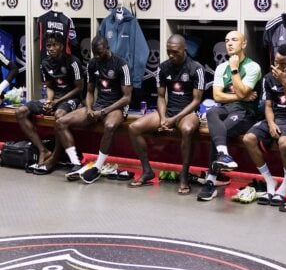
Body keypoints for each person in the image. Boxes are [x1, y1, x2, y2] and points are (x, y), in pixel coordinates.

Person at [44, 35, 131, 184]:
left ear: (108, 48)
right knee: (61, 122)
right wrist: (90, 108)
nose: (97, 56)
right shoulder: (92, 63)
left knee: (109, 126)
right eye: (94, 53)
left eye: (100, 53)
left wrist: (103, 112)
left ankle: (97, 167)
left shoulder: (121, 64)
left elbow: (127, 97)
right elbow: (89, 92)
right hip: (98, 105)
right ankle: (76, 164)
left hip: (117, 106)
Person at [127, 34, 204, 192]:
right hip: (168, 111)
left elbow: (196, 101)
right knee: (133, 127)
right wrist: (163, 118)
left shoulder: (196, 68)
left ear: (184, 49)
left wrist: (174, 119)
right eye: (169, 51)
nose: (171, 55)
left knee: (188, 130)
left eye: (175, 52)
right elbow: (161, 97)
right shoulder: (163, 67)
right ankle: (147, 171)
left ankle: (184, 175)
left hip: (188, 113)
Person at [242, 44, 286, 206]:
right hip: (275, 117)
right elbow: (267, 106)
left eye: (283, 63)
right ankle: (270, 182)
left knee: (284, 142)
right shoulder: (268, 78)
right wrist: (271, 124)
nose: (278, 67)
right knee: (248, 139)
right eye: (276, 62)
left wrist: (285, 83)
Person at [198, 30, 262, 201]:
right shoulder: (220, 67)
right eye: (227, 40)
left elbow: (242, 92)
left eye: (234, 40)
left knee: (218, 133)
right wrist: (241, 95)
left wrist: (234, 70)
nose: (230, 43)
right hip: (227, 108)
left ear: (244, 44)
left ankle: (211, 181)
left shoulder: (252, 67)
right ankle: (223, 155)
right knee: (212, 111)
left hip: (245, 112)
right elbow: (217, 96)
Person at [17, 34, 83, 172]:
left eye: (55, 45)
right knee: (21, 112)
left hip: (72, 99)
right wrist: (49, 101)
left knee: (59, 116)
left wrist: (57, 101)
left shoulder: (73, 62)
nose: (51, 48)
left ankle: (55, 156)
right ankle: (43, 150)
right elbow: (50, 86)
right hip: (55, 99)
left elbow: (79, 88)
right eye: (48, 46)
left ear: (62, 46)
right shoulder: (45, 63)